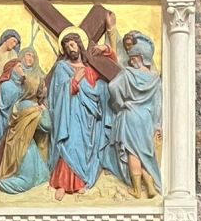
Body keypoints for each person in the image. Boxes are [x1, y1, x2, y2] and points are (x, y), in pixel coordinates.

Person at [44, 29, 111, 199]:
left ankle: (80, 182)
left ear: (79, 45)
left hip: (89, 116)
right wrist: (74, 81)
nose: (70, 49)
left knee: (83, 147)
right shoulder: (62, 67)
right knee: (69, 144)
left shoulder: (90, 69)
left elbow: (112, 71)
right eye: (66, 47)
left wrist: (107, 49)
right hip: (69, 113)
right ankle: (61, 184)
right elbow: (57, 93)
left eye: (72, 44)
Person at [104, 36, 162, 199]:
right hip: (145, 119)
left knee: (133, 153)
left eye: (134, 58)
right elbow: (157, 105)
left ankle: (137, 189)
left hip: (130, 115)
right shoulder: (154, 78)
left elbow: (112, 86)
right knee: (144, 154)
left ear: (141, 58)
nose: (131, 61)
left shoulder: (127, 73)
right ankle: (150, 187)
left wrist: (120, 103)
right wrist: (157, 125)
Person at [0, 71, 52, 198]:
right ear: (35, 90)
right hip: (24, 147)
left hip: (20, 143)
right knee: (26, 181)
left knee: (43, 175)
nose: (45, 89)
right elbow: (46, 126)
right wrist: (44, 110)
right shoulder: (32, 108)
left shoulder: (20, 104)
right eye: (42, 86)